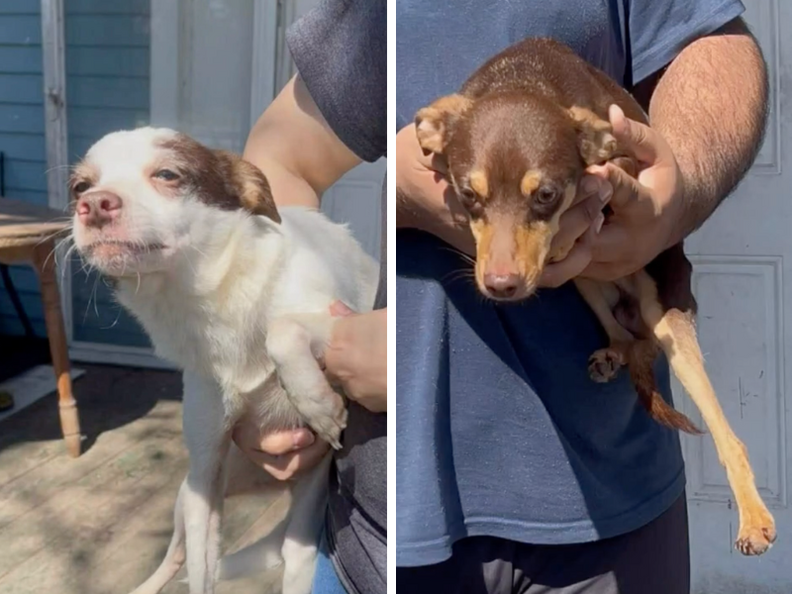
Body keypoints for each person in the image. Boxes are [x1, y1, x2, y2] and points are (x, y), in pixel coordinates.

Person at [395, 1, 767, 593]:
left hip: (614, 501)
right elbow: (294, 155)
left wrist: (668, 203)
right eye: (474, 199)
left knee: (632, 295)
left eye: (541, 198)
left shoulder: (585, 130)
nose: (500, 271)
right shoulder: (452, 114)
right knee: (579, 262)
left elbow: (714, 44)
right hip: (402, 506)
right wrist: (399, 188)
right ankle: (619, 339)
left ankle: (740, 473)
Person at [233, 1, 387, 593]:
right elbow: (280, 162)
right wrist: (268, 375)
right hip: (357, 541)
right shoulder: (382, 17)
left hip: (591, 532)